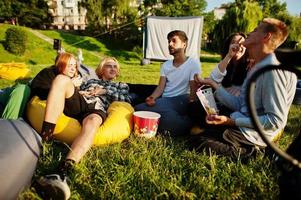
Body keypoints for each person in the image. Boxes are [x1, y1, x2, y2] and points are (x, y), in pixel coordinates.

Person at [190, 18, 297, 160]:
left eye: (255, 30)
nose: (249, 32)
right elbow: (241, 104)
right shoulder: (257, 67)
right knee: (198, 114)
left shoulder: (271, 71)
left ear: (266, 36)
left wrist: (232, 122)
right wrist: (214, 85)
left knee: (200, 142)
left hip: (253, 133)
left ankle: (257, 153)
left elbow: (275, 121)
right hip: (241, 119)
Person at [30, 53, 105, 199]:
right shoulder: (87, 79)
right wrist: (79, 88)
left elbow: (127, 96)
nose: (74, 68)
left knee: (92, 122)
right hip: (79, 101)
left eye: (74, 66)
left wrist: (105, 90)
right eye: (108, 65)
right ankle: (46, 141)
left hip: (95, 108)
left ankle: (63, 171)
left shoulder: (120, 85)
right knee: (61, 79)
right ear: (101, 69)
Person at [135, 30, 201, 135]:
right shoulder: (166, 65)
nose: (170, 44)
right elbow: (161, 87)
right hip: (165, 100)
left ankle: (174, 122)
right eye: (169, 41)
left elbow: (193, 89)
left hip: (182, 100)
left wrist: (191, 108)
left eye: (174, 41)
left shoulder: (193, 63)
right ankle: (178, 123)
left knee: (139, 109)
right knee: (140, 109)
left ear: (184, 44)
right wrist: (152, 98)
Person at [196, 32, 251, 96]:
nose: (238, 46)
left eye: (241, 43)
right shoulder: (224, 63)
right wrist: (229, 56)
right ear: (228, 46)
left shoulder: (250, 66)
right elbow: (214, 78)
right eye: (233, 42)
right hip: (220, 102)